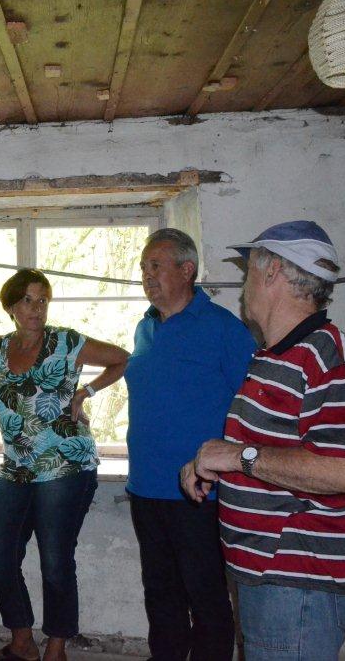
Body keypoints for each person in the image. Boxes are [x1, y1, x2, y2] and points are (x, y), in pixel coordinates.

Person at [182, 221, 345, 661]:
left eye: (248, 269)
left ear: (271, 272)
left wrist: (238, 457)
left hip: (301, 580)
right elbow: (272, 450)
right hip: (271, 575)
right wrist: (213, 462)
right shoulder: (275, 356)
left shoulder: (332, 358)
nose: (244, 285)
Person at [0, 269, 128, 661]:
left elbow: (121, 359)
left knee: (55, 560)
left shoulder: (65, 341)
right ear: (11, 306)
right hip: (16, 467)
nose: (37, 308)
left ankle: (56, 649)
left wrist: (85, 392)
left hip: (65, 465)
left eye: (43, 300)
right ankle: (22, 642)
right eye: (28, 300)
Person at [124, 228, 255, 661]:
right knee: (160, 592)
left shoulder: (224, 329)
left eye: (156, 266)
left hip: (200, 493)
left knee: (206, 595)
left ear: (187, 270)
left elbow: (253, 410)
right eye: (143, 267)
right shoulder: (145, 327)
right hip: (146, 488)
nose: (147, 275)